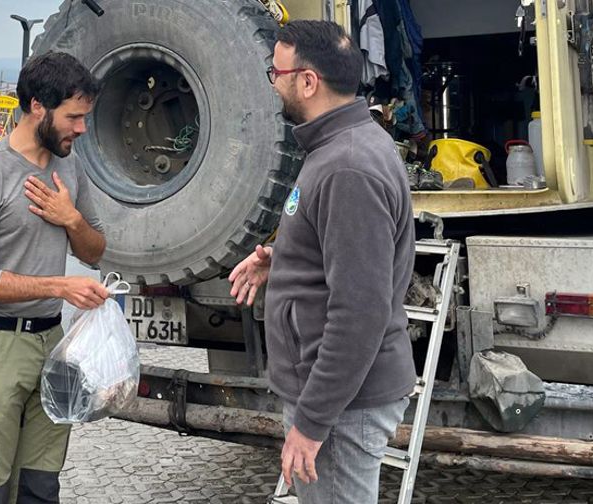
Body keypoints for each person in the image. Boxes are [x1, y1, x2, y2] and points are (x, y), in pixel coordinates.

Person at [229, 20, 416, 503]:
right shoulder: (337, 147)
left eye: (277, 70)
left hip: (343, 405)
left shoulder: (347, 166)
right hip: (339, 397)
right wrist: (284, 260)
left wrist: (312, 424)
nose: (273, 80)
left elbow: (360, 312)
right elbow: (342, 256)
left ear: (307, 81)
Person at [0, 51, 109, 503]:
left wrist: (71, 219)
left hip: (50, 343)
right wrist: (59, 286)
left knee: (41, 488)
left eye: (84, 117)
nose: (81, 128)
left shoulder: (70, 168)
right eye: (73, 117)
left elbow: (95, 251)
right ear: (37, 106)